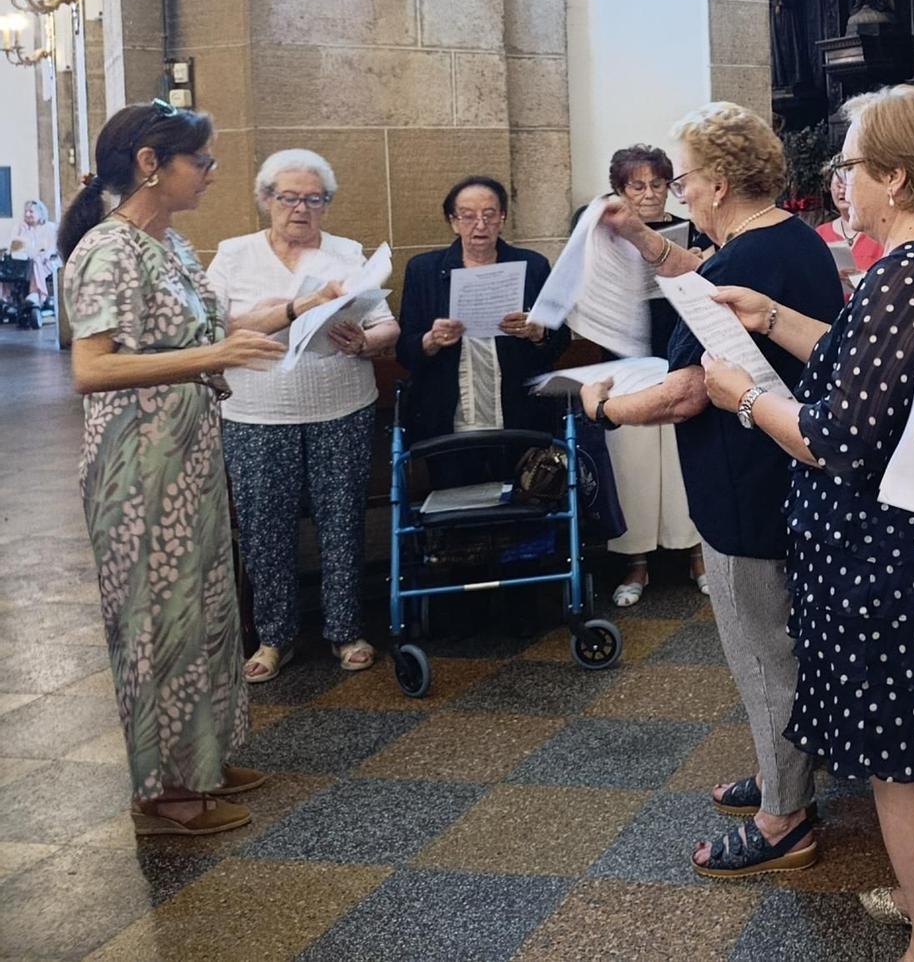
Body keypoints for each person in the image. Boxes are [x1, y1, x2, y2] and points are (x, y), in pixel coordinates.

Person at [699, 84, 914, 962]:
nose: (842, 181)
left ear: (896, 177)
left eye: (850, 165)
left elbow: (841, 439)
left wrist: (749, 395)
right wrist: (773, 318)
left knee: (903, 758)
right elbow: (870, 366)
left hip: (887, 555)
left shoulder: (911, 271)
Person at [585, 105, 844, 880]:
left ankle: (784, 819)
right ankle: (781, 772)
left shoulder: (745, 260)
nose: (681, 190)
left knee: (763, 651)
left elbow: (687, 394)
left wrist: (600, 404)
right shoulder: (783, 238)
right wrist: (639, 238)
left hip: (747, 485)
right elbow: (699, 270)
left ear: (720, 182)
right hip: (784, 477)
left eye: (687, 178)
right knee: (778, 642)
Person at [58, 102, 286, 837]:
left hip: (188, 452)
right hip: (138, 464)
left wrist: (305, 307)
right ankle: (163, 794)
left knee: (207, 609)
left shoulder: (174, 245)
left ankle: (203, 760)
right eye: (203, 162)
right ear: (152, 164)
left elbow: (214, 331)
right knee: (158, 622)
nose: (214, 175)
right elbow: (92, 369)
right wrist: (213, 357)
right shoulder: (106, 250)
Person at [207, 150, 399, 682]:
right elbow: (215, 328)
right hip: (256, 413)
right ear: (266, 200)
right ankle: (274, 638)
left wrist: (365, 341)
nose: (300, 208)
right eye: (288, 197)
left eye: (313, 199)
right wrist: (287, 309)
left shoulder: (346, 252)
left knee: (342, 521)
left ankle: (345, 631)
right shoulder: (234, 254)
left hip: (340, 405)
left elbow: (388, 326)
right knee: (265, 526)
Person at [590, 145, 703, 607]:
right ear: (620, 189)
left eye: (659, 184)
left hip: (677, 348)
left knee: (683, 459)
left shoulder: (689, 228)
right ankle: (636, 562)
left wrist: (700, 263)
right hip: (626, 354)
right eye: (638, 186)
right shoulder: (603, 229)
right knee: (633, 461)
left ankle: (696, 553)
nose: (651, 194)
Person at [395, 176, 569, 454]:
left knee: (520, 495)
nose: (480, 225)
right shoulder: (423, 270)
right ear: (453, 222)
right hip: (448, 417)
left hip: (520, 415)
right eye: (468, 216)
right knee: (455, 495)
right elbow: (404, 351)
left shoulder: (533, 266)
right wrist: (431, 340)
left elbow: (561, 341)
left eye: (489, 215)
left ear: (502, 218)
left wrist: (538, 333)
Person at [815, 157, 884, 299]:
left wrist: (863, 279)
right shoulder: (819, 234)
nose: (842, 190)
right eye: (837, 184)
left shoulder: (879, 233)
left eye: (847, 183)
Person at [11, 197, 58, 305]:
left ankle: (37, 293)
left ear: (40, 213)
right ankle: (6, 297)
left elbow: (53, 247)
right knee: (5, 263)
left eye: (31, 211)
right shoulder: (21, 227)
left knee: (36, 260)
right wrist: (21, 231)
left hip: (48, 260)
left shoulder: (50, 227)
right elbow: (15, 247)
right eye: (26, 212)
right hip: (25, 261)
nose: (27, 214)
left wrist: (45, 255)